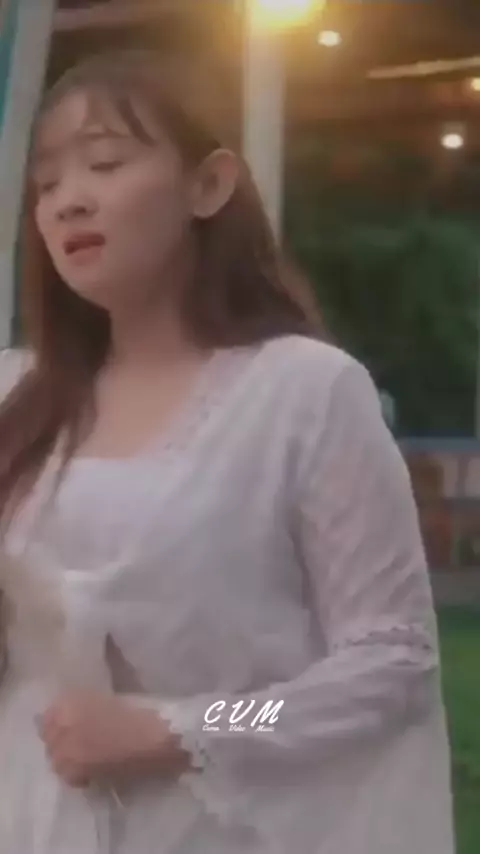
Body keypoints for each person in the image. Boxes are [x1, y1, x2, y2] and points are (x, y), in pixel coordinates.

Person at [0, 50, 454, 854]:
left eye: (105, 163)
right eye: (46, 183)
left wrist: (183, 729)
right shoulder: (17, 396)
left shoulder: (303, 393)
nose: (69, 200)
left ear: (208, 186)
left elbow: (390, 661)